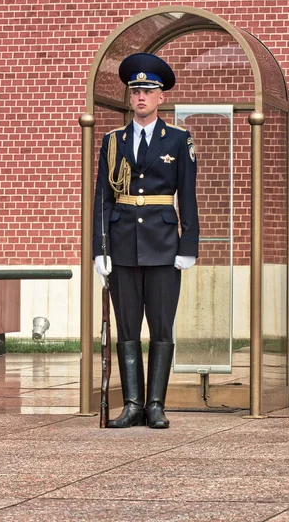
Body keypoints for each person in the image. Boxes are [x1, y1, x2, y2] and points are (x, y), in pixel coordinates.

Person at [93, 52, 199, 429]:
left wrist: (189, 246)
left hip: (163, 243)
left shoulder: (178, 140)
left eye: (148, 90)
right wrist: (99, 249)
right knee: (126, 326)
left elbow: (188, 195)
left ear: (160, 98)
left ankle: (156, 404)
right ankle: (133, 404)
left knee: (161, 326)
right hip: (122, 243)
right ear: (129, 97)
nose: (140, 96)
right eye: (135, 90)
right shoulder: (112, 141)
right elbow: (103, 197)